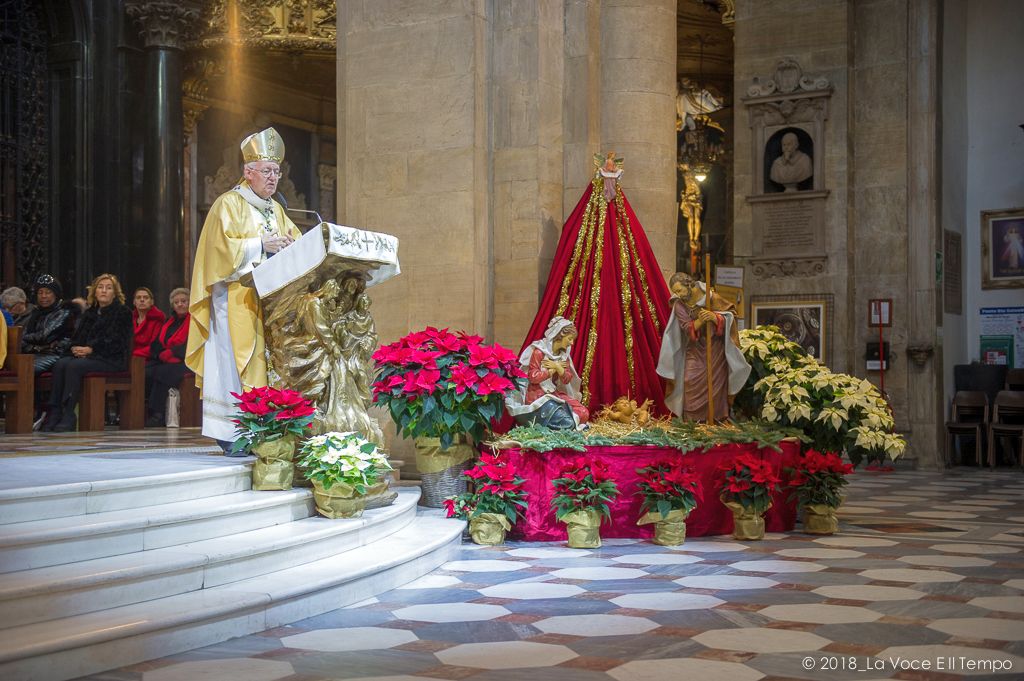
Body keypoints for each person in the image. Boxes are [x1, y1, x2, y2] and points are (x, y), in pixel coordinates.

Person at [185, 127, 301, 453]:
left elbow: (294, 244)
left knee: (268, 364)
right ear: (248, 172)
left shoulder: (276, 209)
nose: (273, 178)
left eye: (277, 171)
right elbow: (218, 253)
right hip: (233, 300)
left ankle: (266, 430)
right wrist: (260, 244)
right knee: (234, 364)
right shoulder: (229, 204)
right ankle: (234, 433)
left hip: (270, 302)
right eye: (267, 171)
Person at [41, 274, 132, 432]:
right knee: (61, 364)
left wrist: (92, 349)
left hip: (111, 358)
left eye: (109, 288)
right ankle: (55, 411)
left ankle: (69, 414)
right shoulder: (91, 313)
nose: (104, 291)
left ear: (115, 293)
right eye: (100, 287)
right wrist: (76, 348)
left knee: (74, 367)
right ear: (94, 292)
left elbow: (118, 341)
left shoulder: (122, 312)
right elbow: (78, 338)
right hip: (91, 356)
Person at [656, 272, 751, 422]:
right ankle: (692, 422)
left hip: (715, 350)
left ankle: (716, 420)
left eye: (680, 290)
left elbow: (731, 315)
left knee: (716, 387)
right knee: (690, 380)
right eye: (675, 292)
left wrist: (716, 318)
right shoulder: (679, 305)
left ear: (689, 285)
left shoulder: (711, 297)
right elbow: (686, 328)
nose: (678, 295)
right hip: (694, 349)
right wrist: (700, 320)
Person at [506, 316, 589, 430]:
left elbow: (567, 379)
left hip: (553, 394)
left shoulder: (563, 355)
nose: (572, 343)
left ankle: (565, 424)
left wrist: (558, 368)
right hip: (539, 396)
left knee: (583, 412)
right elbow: (533, 377)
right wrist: (550, 372)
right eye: (569, 339)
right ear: (560, 335)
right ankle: (561, 426)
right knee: (566, 421)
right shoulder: (539, 352)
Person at [145, 288, 191, 427]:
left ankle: (158, 414)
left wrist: (172, 353)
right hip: (168, 361)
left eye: (183, 301)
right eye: (176, 302)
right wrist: (160, 354)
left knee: (163, 372)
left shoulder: (195, 321)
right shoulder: (168, 322)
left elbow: (192, 344)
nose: (180, 304)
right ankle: (146, 411)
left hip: (187, 361)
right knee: (146, 370)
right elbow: (156, 344)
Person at [20, 274, 80, 374]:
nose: (43, 296)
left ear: (56, 294)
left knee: (26, 368)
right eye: (40, 292)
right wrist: (29, 345)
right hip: (34, 353)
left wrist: (24, 339)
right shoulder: (35, 312)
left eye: (48, 292)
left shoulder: (64, 312)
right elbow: (23, 336)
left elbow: (43, 336)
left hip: (55, 354)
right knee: (12, 364)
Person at [131, 287, 166, 360]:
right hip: (130, 357)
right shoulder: (130, 319)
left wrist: (133, 354)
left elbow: (154, 346)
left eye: (146, 298)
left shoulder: (158, 319)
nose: (142, 300)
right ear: (134, 302)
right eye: (138, 297)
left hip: (149, 358)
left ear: (152, 302)